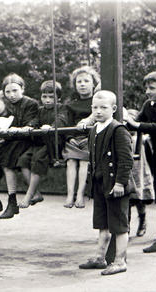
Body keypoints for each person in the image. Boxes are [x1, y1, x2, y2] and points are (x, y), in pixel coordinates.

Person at [79, 90, 133, 275]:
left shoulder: (118, 130)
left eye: (103, 107)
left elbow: (126, 160)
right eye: (95, 107)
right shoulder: (94, 130)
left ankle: (120, 260)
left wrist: (120, 183)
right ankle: (100, 257)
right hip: (100, 184)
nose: (98, 111)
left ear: (114, 108)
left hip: (115, 185)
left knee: (119, 225)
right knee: (102, 223)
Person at [124, 71, 156, 252]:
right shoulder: (148, 105)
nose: (147, 91)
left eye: (152, 88)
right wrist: (126, 120)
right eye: (146, 87)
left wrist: (136, 125)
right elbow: (136, 122)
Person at [0, 73, 38, 219]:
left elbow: (32, 122)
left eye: (15, 91)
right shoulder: (3, 104)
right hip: (10, 140)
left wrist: (18, 129)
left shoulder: (30, 103)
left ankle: (12, 202)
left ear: (22, 89)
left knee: (8, 162)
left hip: (27, 140)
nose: (11, 95)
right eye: (8, 92)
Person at [18, 80, 67, 208]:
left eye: (51, 97)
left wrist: (51, 126)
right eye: (44, 97)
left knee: (38, 160)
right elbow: (35, 120)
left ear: (58, 97)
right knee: (22, 161)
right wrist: (30, 126)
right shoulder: (40, 110)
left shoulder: (62, 108)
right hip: (39, 143)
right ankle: (36, 193)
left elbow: (61, 119)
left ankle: (28, 195)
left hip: (51, 144)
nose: (47, 100)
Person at [62, 66, 100, 208]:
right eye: (79, 82)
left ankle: (80, 194)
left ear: (93, 84)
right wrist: (70, 137)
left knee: (84, 162)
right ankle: (70, 194)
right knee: (71, 161)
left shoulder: (97, 103)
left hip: (90, 138)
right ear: (75, 85)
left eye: (86, 81)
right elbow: (68, 123)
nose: (82, 84)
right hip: (74, 139)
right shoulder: (71, 105)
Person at [125, 109, 154, 237]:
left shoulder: (141, 137)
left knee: (140, 200)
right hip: (127, 172)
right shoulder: (122, 136)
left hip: (140, 172)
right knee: (126, 201)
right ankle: (126, 225)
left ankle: (142, 220)